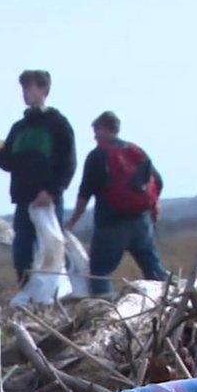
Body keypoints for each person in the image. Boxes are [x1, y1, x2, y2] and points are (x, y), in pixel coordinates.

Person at [64, 111, 166, 296]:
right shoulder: (136, 151)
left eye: (96, 130)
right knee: (155, 273)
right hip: (141, 222)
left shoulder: (97, 156)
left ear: (104, 129)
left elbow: (84, 195)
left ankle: (104, 312)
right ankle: (169, 305)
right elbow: (157, 181)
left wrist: (71, 223)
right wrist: (153, 205)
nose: (94, 135)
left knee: (100, 274)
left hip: (110, 225)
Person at [0, 70, 76, 284]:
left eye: (30, 88)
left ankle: (56, 292)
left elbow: (68, 162)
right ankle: (26, 289)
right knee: (22, 250)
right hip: (24, 199)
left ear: (44, 90)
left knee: (52, 248)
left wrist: (52, 191)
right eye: (24, 88)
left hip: (47, 199)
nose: (26, 93)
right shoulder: (19, 128)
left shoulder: (58, 124)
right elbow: (8, 161)